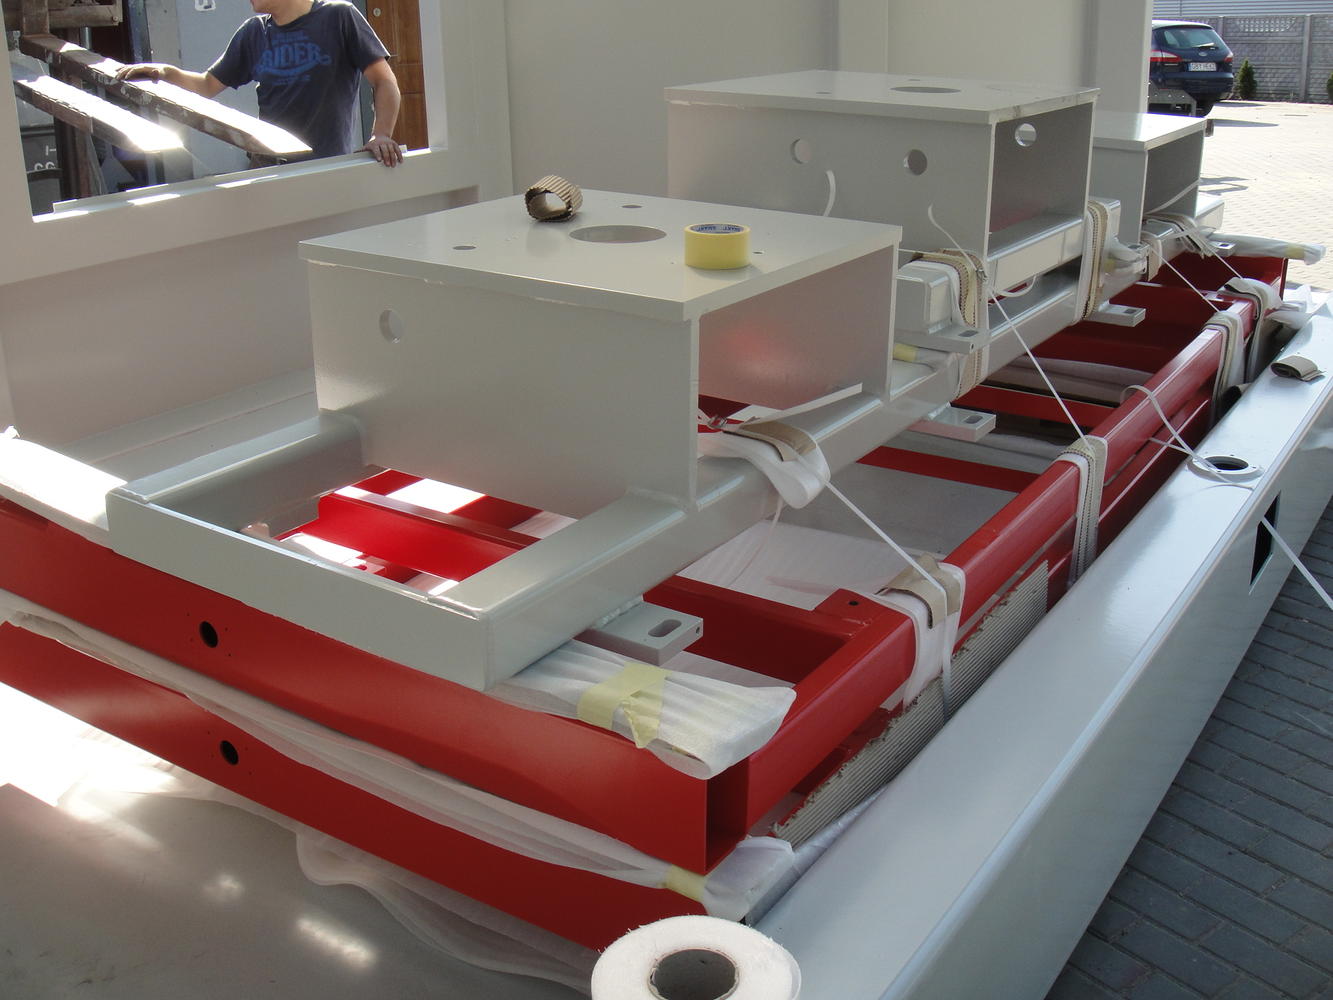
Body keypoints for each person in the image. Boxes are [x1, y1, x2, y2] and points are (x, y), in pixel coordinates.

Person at [115, 0, 403, 167]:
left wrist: (381, 135)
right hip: (268, 167)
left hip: (324, 168)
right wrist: (164, 72)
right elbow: (206, 85)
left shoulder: (339, 16)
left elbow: (384, 80)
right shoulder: (253, 32)